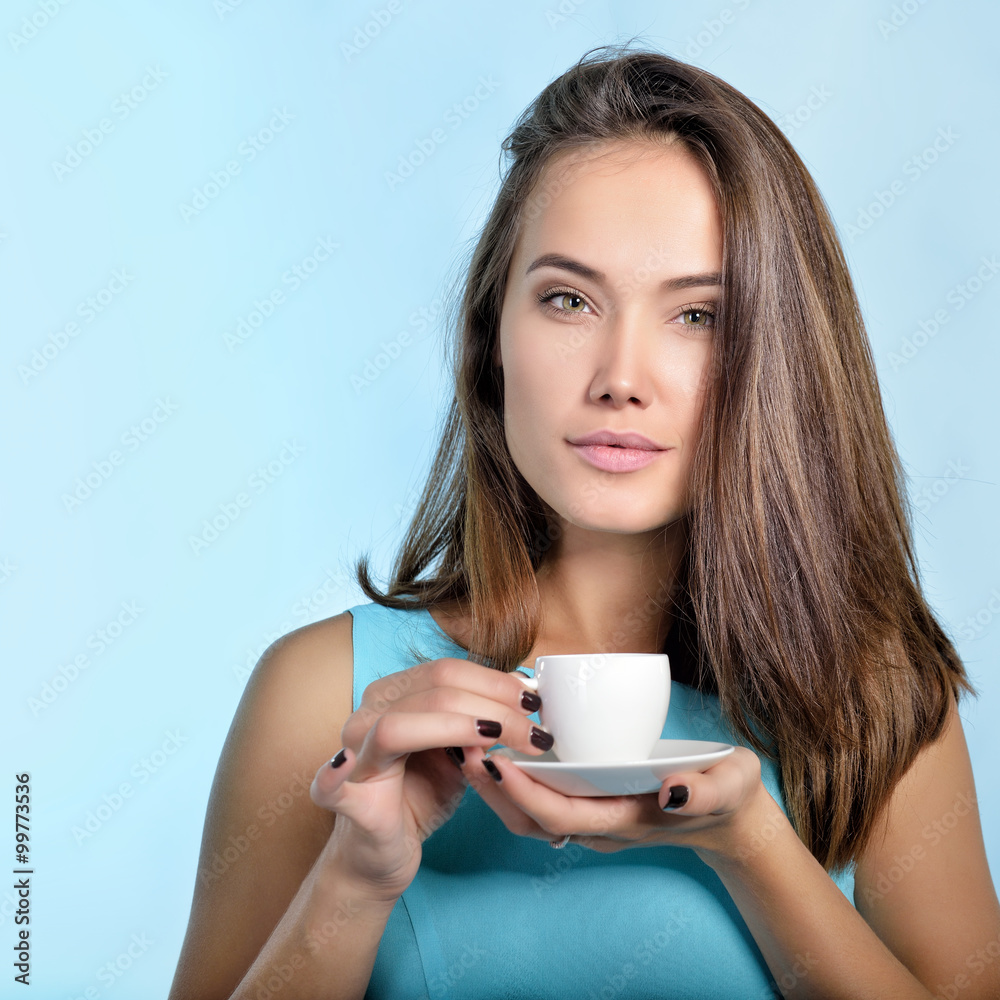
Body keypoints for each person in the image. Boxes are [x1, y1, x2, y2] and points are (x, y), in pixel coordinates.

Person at [167, 43, 1000, 1000]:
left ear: (779, 362)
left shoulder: (874, 705)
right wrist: (354, 879)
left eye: (699, 318)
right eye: (568, 300)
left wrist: (753, 845)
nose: (620, 378)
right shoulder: (323, 700)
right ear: (491, 339)